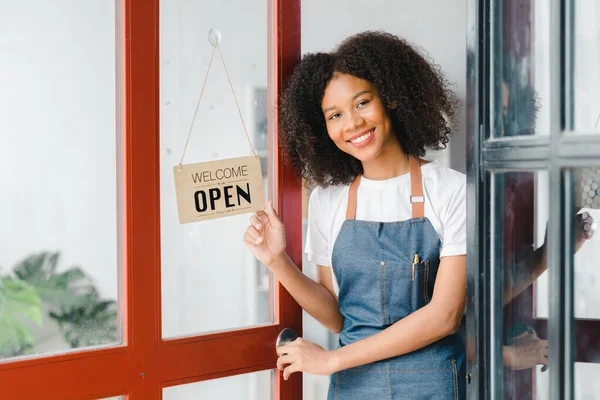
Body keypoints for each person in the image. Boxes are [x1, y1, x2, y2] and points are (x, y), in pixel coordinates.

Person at [244, 31, 467, 399]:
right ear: (324, 129)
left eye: (362, 103)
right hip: (354, 387)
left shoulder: (451, 190)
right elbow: (337, 315)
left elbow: (445, 315)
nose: (352, 123)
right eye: (335, 115)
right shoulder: (327, 200)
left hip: (431, 386)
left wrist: (333, 360)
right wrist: (277, 260)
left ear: (391, 97)